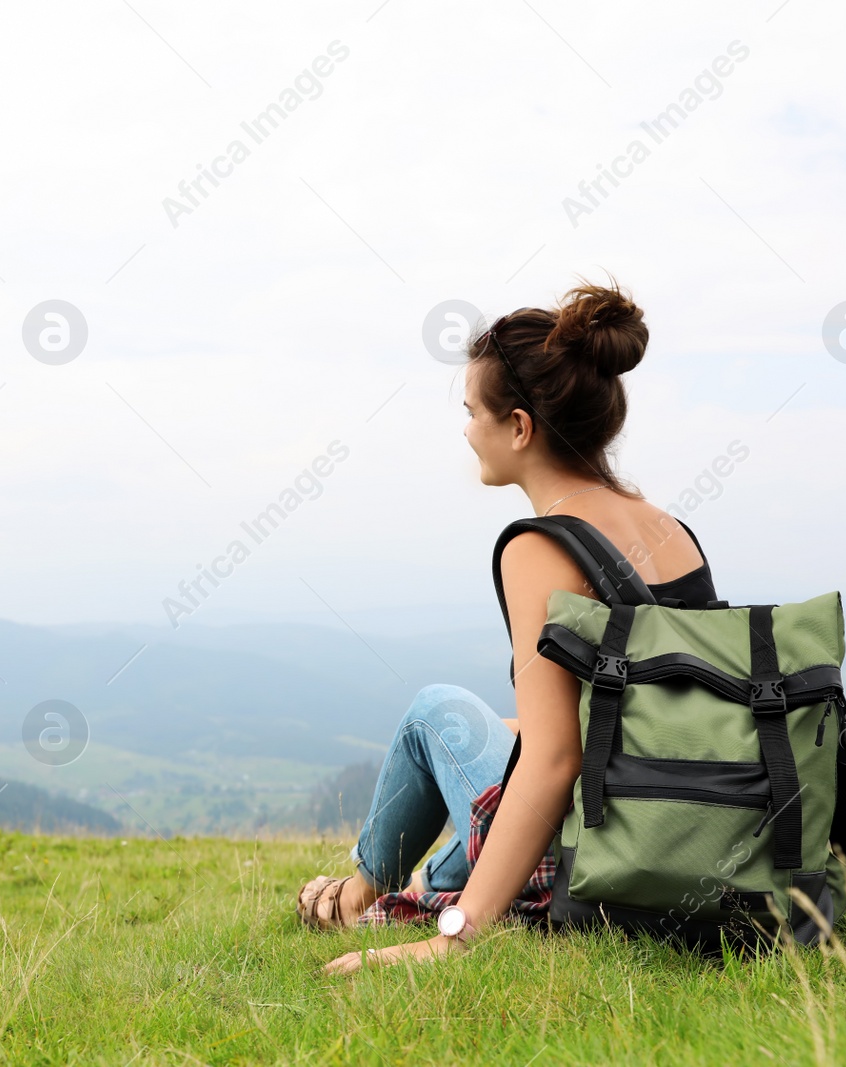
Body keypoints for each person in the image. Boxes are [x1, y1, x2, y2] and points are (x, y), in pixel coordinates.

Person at [293, 281, 717, 975]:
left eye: (471, 411)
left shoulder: (543, 545)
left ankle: (362, 898)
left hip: (593, 857)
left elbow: (557, 760)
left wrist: (451, 938)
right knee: (504, 738)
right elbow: (636, 713)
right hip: (681, 832)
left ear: (519, 427)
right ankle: (405, 889)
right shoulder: (671, 528)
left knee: (437, 711)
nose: (465, 429)